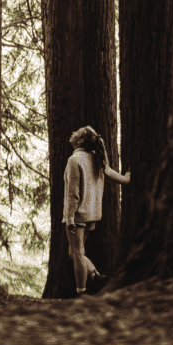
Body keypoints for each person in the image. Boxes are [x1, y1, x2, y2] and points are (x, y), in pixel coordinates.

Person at [63, 125, 130, 296]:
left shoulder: (74, 160)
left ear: (80, 141)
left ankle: (81, 293)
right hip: (93, 214)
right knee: (73, 252)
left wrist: (70, 217)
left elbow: (73, 194)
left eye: (75, 132)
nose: (72, 133)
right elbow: (109, 172)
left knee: (77, 252)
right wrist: (125, 180)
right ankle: (96, 276)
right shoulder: (96, 157)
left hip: (78, 215)